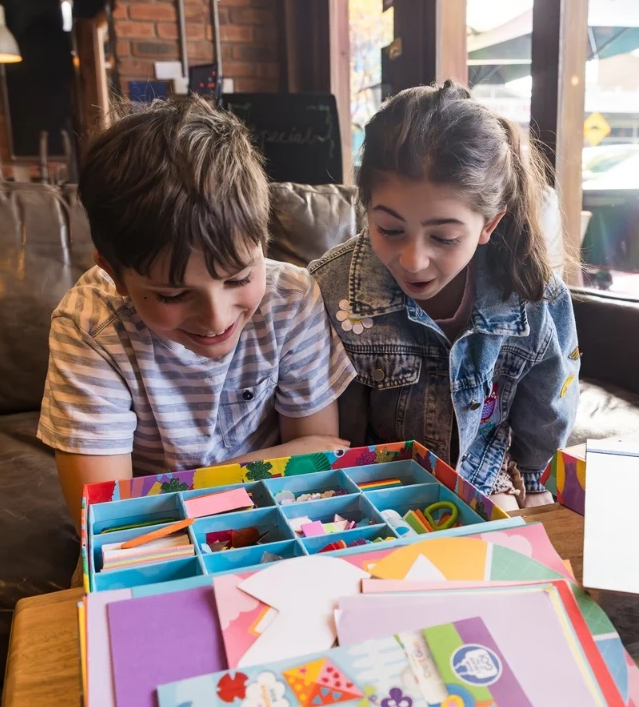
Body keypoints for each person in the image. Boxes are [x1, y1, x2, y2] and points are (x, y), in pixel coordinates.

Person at [38, 99, 355, 527]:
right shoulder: (89, 328)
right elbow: (104, 517)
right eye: (172, 295)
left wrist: (160, 490)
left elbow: (319, 460)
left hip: (268, 520)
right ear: (114, 274)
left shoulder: (292, 299)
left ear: (261, 244)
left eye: (239, 278)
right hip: (156, 540)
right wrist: (257, 467)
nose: (217, 319)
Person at [310, 81, 579, 508]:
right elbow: (333, 439)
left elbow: (548, 407)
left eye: (444, 237)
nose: (413, 260)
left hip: (487, 476)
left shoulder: (533, 294)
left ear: (489, 224)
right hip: (376, 484)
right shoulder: (331, 289)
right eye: (389, 229)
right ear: (366, 207)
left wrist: (533, 481)